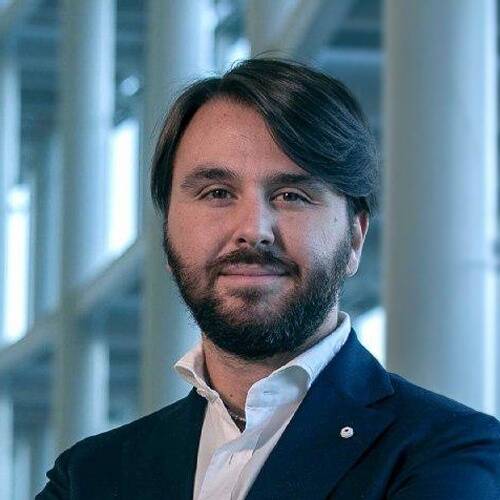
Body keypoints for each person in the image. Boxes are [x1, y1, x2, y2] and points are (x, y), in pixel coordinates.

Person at [37, 58, 500, 500]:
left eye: (292, 195)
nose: (253, 230)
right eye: (217, 193)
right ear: (167, 234)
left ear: (355, 239)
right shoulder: (88, 476)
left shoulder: (450, 453)